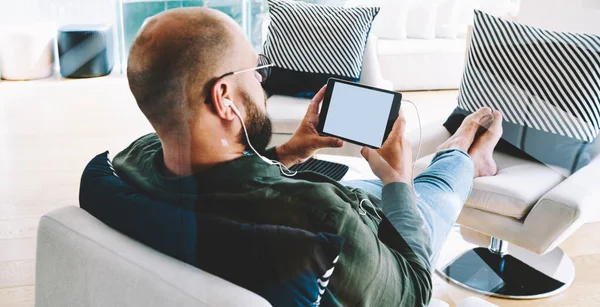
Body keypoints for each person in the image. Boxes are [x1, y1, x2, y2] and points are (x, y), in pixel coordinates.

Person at [112, 7, 503, 307]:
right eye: (257, 71)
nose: (263, 81)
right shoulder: (322, 218)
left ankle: (441, 165)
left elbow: (224, 182)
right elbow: (414, 291)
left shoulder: (134, 160)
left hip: (337, 199)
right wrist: (398, 182)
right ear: (224, 98)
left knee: (380, 184)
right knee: (432, 187)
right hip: (371, 237)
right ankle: (463, 155)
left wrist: (288, 152)